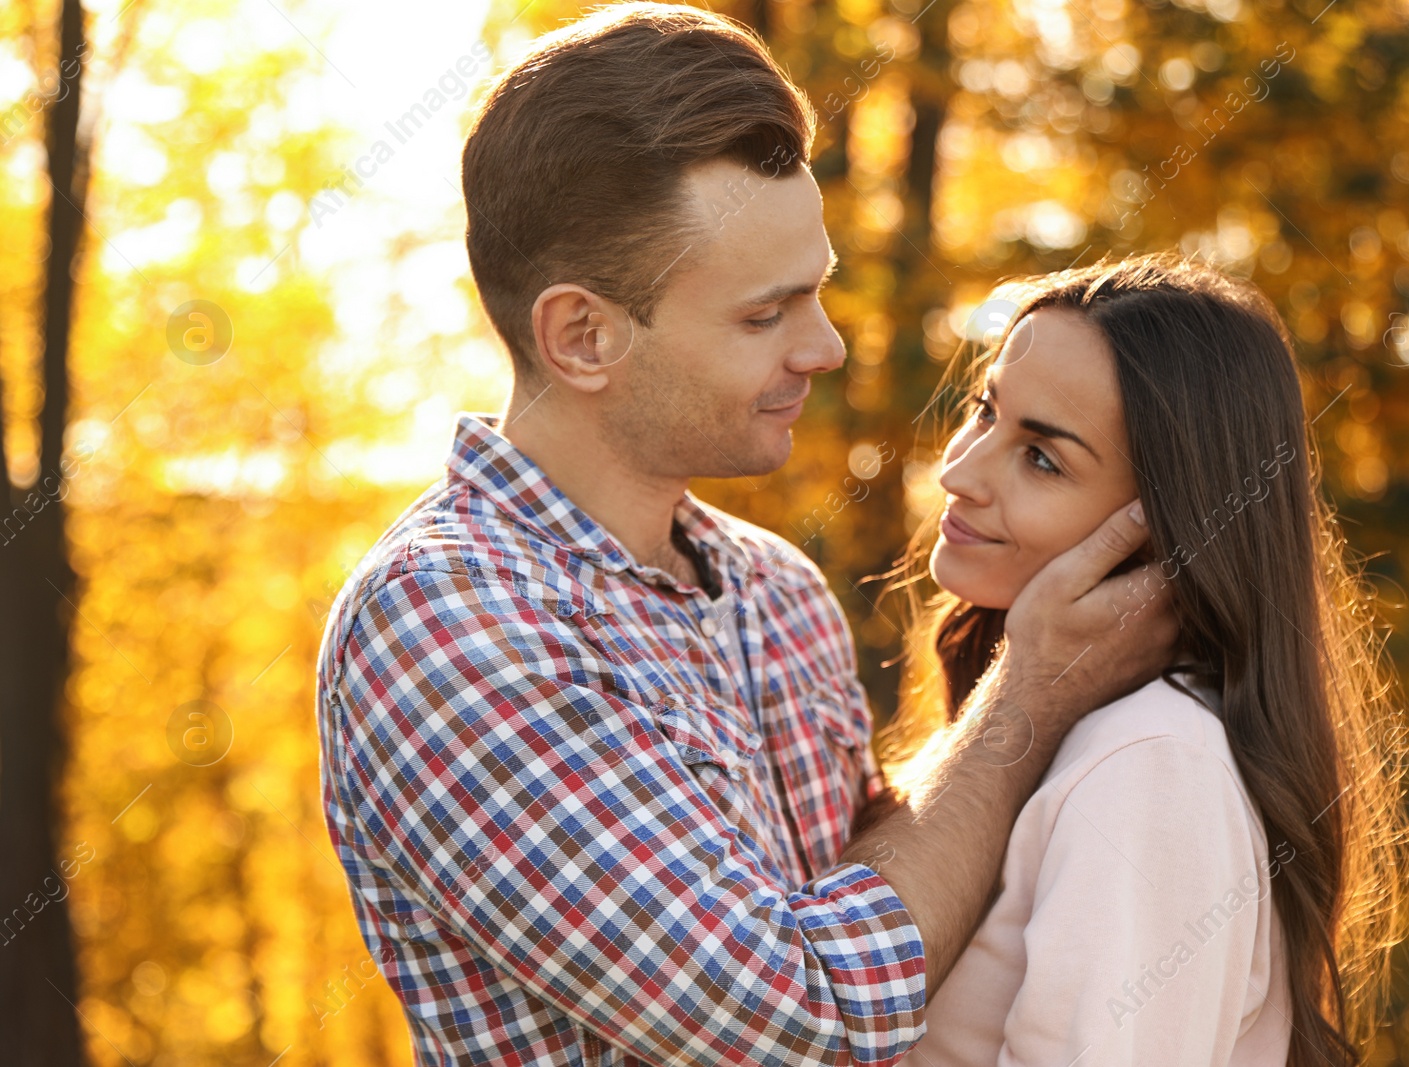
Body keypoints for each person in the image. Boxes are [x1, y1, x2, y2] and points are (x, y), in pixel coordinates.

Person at [313, 6, 1175, 1065]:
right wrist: (1028, 696)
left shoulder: (776, 589)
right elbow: (804, 1024)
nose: (823, 345)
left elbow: (904, 895)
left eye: (815, 291)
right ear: (582, 335)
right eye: (764, 316)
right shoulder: (449, 626)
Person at [876, 254, 1409, 1067]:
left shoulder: (1152, 764)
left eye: (1042, 458)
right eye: (986, 413)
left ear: (1161, 531)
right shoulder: (1063, 729)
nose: (958, 469)